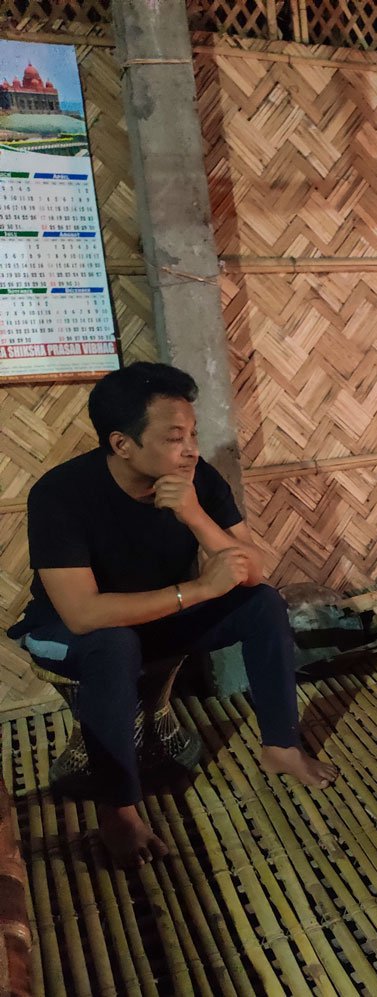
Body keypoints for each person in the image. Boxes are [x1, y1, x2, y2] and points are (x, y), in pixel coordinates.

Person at [5, 362, 338, 867]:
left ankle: (281, 746)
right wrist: (199, 589)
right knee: (114, 643)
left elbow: (253, 571)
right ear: (122, 444)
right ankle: (120, 811)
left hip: (158, 616)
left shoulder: (196, 480)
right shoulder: (61, 495)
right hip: (66, 632)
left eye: (193, 435)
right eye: (174, 437)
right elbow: (81, 614)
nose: (191, 450)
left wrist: (195, 517)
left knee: (262, 604)